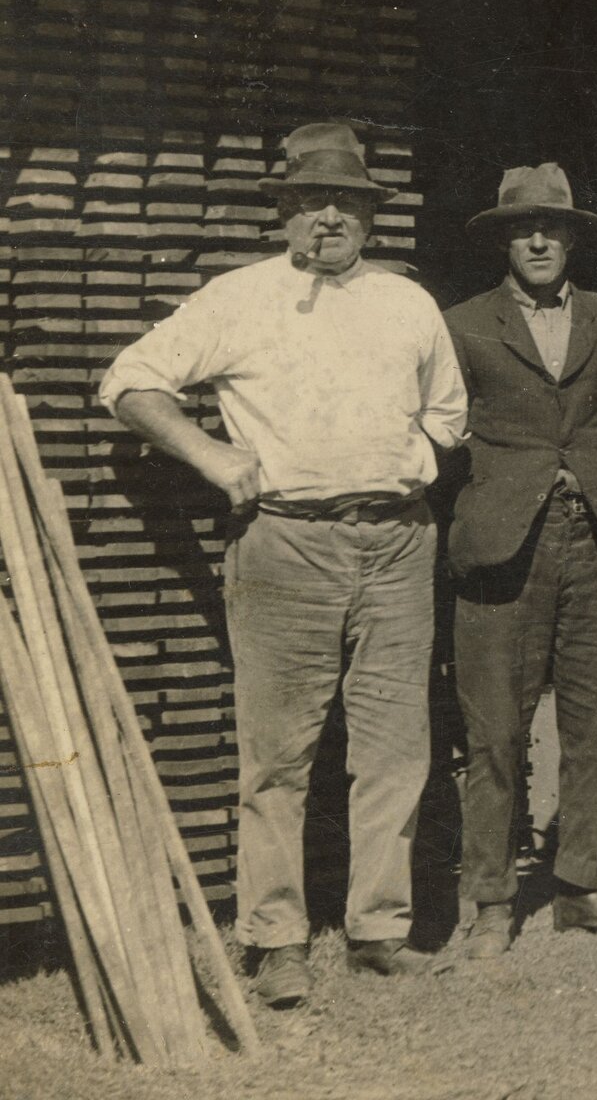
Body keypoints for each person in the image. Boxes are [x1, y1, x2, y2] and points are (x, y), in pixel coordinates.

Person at [100, 122, 466, 1006]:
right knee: (278, 757)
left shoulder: (408, 303)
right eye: (310, 202)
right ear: (286, 214)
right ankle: (277, 939)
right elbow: (128, 381)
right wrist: (216, 460)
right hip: (285, 544)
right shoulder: (238, 299)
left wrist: (406, 463)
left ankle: (380, 928)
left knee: (394, 747)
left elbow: (448, 415)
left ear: (371, 215)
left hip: (398, 543)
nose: (329, 217)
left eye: (346, 201)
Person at [446, 164, 597, 957]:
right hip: (503, 548)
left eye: (553, 227)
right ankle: (492, 899)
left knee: (596, 726)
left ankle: (581, 885)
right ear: (504, 238)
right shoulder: (461, 324)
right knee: (496, 729)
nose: (538, 239)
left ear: (572, 237)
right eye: (523, 227)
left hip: (593, 541)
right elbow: (443, 434)